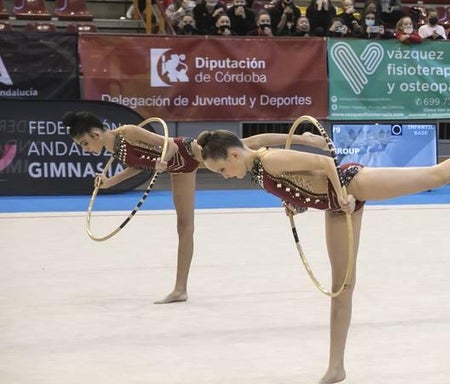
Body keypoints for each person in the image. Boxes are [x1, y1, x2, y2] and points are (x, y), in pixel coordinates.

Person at [195, 129, 450, 384]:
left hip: (353, 184)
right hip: (333, 205)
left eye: (221, 170)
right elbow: (297, 177)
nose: (225, 176)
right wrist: (297, 203)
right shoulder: (254, 163)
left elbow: (323, 164)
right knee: (341, 288)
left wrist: (343, 196)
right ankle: (336, 367)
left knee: (436, 174)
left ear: (232, 156)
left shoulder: (269, 159)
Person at [64, 111, 325, 304]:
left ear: (95, 134)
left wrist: (162, 162)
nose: (86, 149)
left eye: (85, 143)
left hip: (188, 152)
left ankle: (305, 139)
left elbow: (166, 144)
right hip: (178, 169)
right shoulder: (115, 150)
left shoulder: (128, 132)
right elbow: (136, 165)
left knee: (249, 145)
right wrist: (109, 181)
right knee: (184, 226)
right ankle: (180, 289)